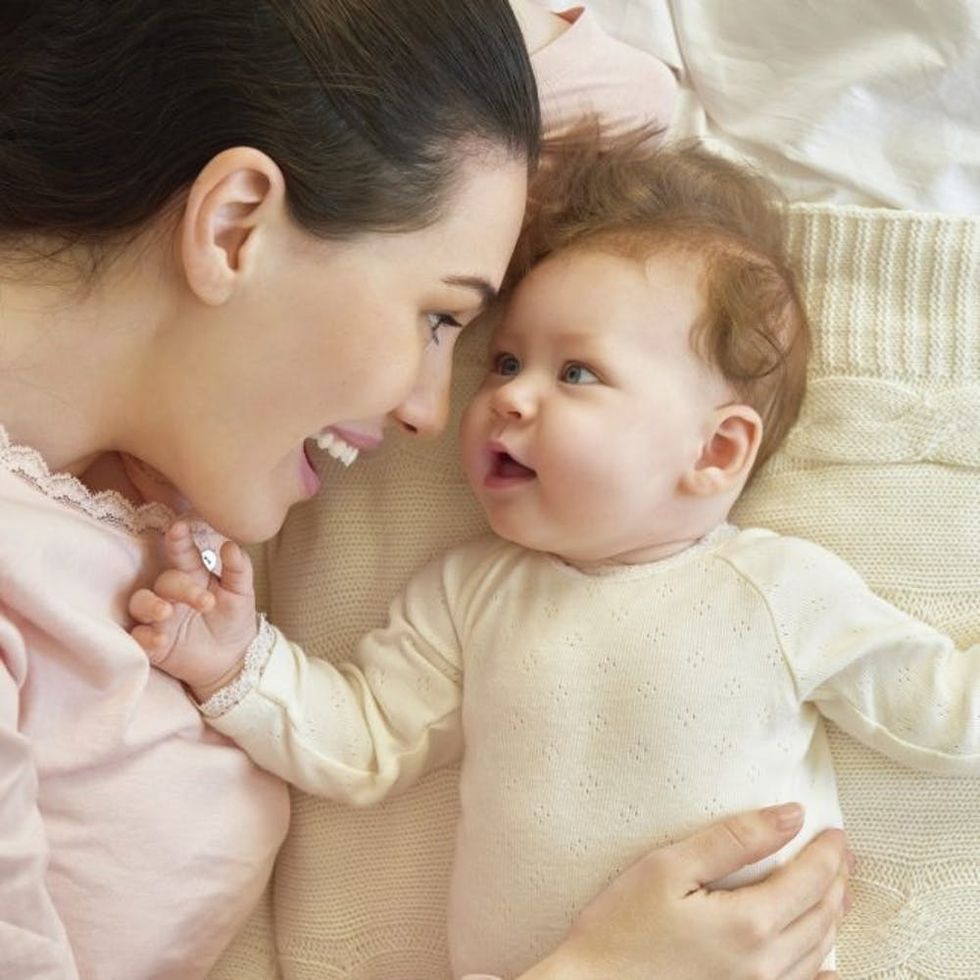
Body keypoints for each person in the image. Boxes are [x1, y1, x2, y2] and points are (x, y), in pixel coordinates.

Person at [0, 1, 849, 978]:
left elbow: (622, 110)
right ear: (236, 226)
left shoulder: (136, 450)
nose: (426, 414)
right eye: (441, 318)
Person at [131, 138, 962, 979]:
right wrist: (237, 662)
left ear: (714, 451)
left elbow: (939, 708)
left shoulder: (779, 591)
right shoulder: (470, 595)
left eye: (576, 371)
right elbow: (366, 739)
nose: (507, 397)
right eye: (503, 361)